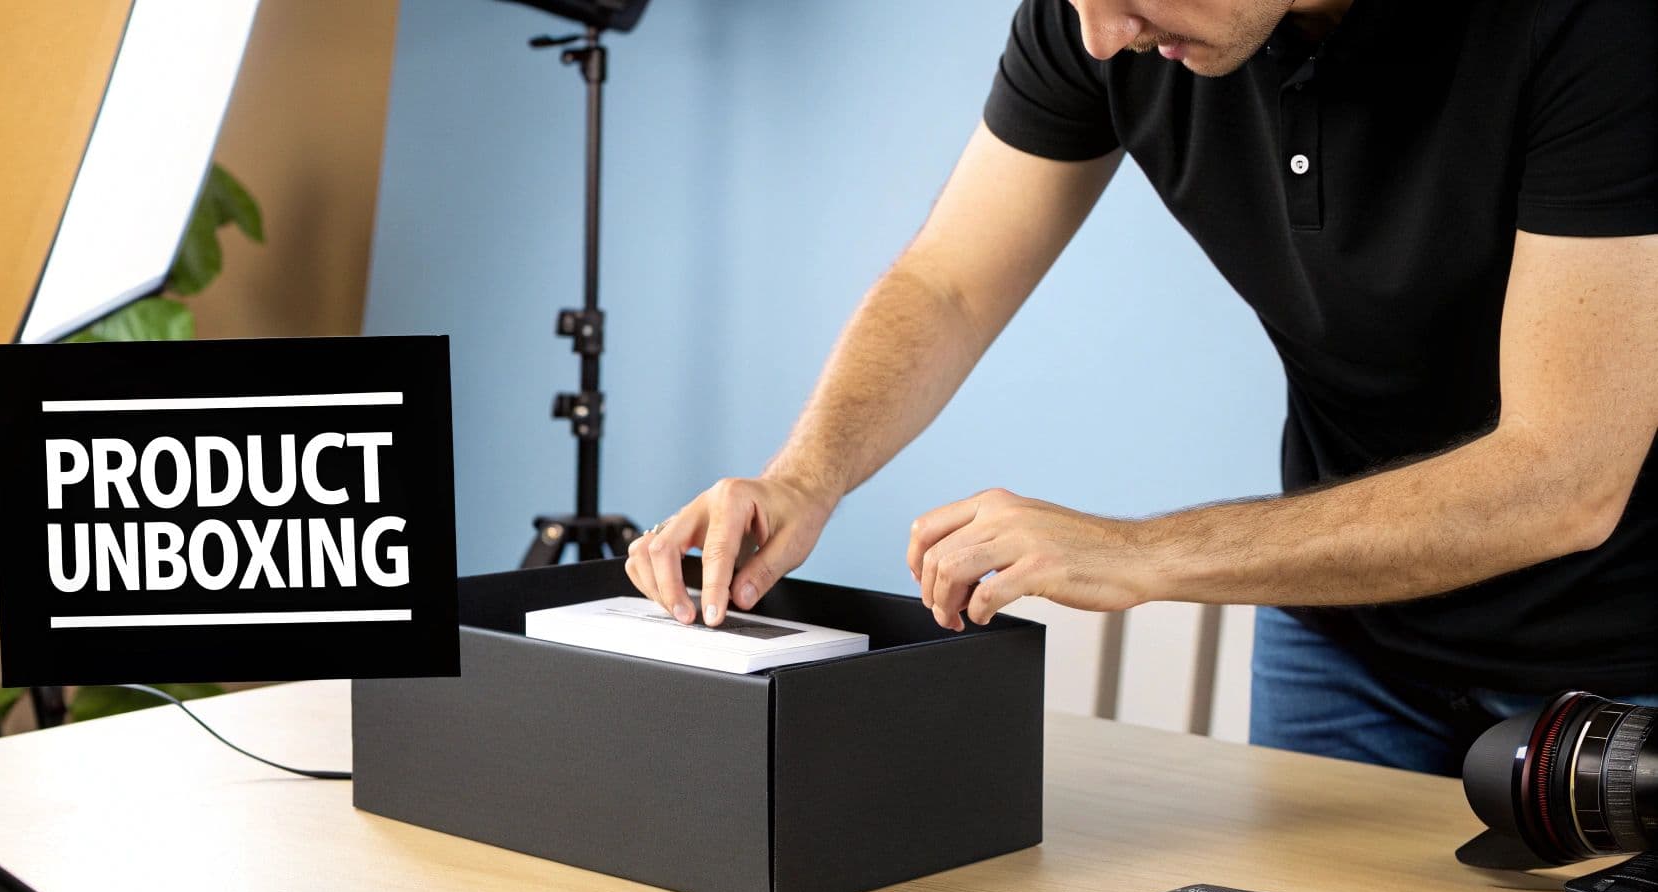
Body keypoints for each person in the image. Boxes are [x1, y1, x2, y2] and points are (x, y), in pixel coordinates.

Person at [624, 0, 1657, 775]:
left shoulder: (1593, 26)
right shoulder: (1104, 17)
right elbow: (946, 281)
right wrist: (804, 479)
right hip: (1349, 629)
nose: (1099, 37)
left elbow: (1563, 473)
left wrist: (1141, 552)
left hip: (1619, 657)